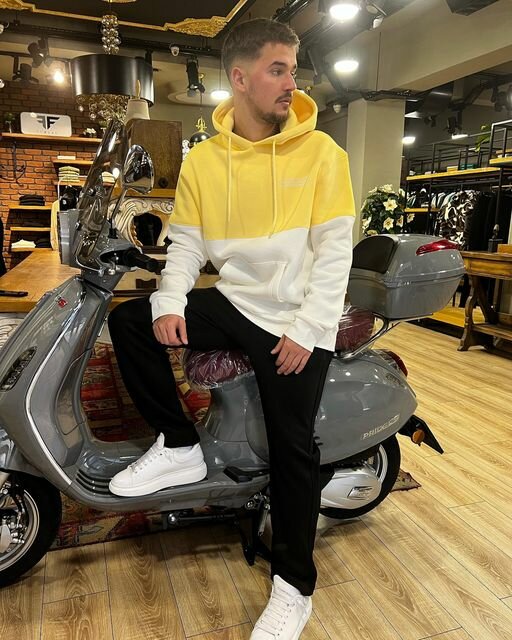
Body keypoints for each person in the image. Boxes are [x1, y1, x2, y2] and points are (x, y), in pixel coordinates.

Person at [108, 17, 355, 640]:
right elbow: (187, 245)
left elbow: (335, 253)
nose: (291, 83)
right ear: (240, 78)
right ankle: (181, 445)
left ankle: (295, 587)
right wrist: (169, 301)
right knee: (131, 320)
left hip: (296, 316)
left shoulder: (323, 154)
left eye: (293, 70)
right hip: (236, 301)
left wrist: (309, 329)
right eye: (278, 70)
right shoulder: (204, 160)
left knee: (293, 448)